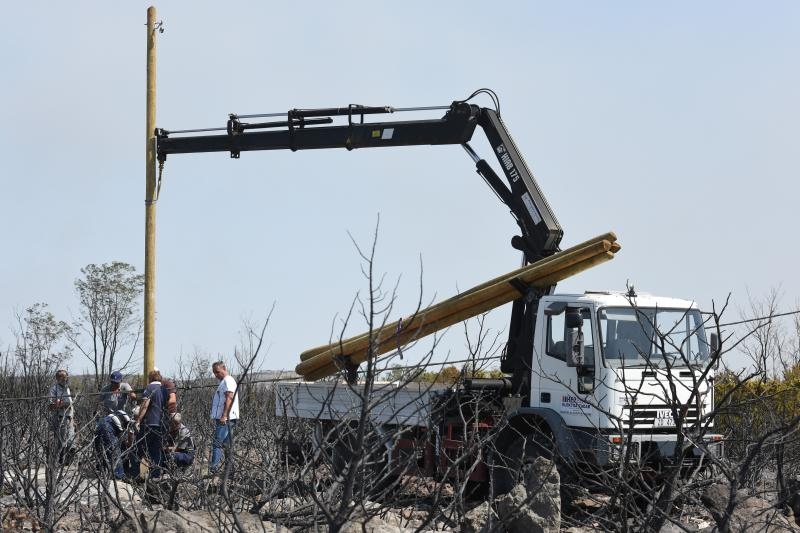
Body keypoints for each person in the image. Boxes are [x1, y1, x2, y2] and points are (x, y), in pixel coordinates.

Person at [209, 361, 239, 474]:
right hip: (227, 418)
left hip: (226, 418)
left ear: (224, 369)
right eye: (214, 373)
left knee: (217, 443)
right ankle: (229, 470)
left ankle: (214, 469)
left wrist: (224, 415)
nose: (216, 375)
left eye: (217, 372)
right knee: (227, 445)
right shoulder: (224, 382)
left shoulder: (228, 381)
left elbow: (229, 398)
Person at [135, 369, 165, 478]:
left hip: (149, 423)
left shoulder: (150, 388)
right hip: (161, 425)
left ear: (150, 378)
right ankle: (155, 475)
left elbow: (145, 406)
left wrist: (138, 420)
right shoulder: (164, 389)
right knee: (156, 451)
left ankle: (135, 474)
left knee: (138, 448)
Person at [94, 409, 133, 479]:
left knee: (100, 450)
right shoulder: (129, 422)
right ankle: (118, 475)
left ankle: (101, 469)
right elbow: (123, 438)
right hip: (108, 427)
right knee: (115, 452)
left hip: (99, 425)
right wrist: (128, 444)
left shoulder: (119, 415)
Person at [48, 369, 75, 465]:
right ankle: (60, 462)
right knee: (61, 442)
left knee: (71, 441)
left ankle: (68, 464)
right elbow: (51, 406)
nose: (64, 378)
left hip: (69, 418)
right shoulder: (54, 389)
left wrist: (72, 419)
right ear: (57, 378)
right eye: (61, 377)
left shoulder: (67, 388)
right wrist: (62, 404)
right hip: (60, 418)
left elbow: (71, 405)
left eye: (65, 376)